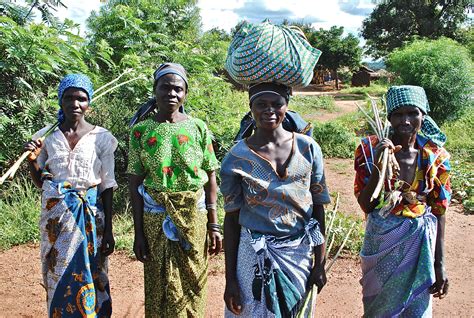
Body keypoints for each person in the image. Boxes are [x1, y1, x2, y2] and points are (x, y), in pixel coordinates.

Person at [221, 82, 331, 317]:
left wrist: (319, 263)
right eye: (261, 104)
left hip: (298, 254)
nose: (269, 110)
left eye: (276, 104)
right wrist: (230, 279)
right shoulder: (236, 156)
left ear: (287, 106)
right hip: (253, 255)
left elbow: (318, 210)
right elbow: (231, 219)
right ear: (251, 108)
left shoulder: (308, 148)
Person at [128, 63, 222, 317]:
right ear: (155, 90)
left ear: (185, 94)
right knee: (158, 281)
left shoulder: (198, 128)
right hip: (155, 218)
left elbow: (210, 176)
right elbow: (135, 184)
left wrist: (214, 225)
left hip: (194, 217)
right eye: (165, 87)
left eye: (178, 89)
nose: (171, 94)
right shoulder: (141, 131)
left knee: (193, 280)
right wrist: (138, 233)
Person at [24, 74, 117, 317]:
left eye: (81, 99)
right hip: (57, 221)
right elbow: (40, 183)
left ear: (89, 103)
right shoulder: (45, 137)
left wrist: (108, 231)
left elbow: (107, 185)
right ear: (60, 101)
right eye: (69, 98)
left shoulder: (102, 138)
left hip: (91, 219)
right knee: (58, 273)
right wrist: (33, 161)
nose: (75, 104)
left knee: (93, 272)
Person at [354, 85, 451, 317]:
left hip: (420, 242)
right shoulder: (369, 150)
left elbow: (439, 209)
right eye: (398, 114)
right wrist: (380, 163)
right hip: (382, 239)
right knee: (379, 307)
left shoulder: (435, 155)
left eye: (412, 113)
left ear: (423, 115)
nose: (405, 120)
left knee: (417, 307)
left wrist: (439, 263)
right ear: (389, 117)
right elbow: (366, 204)